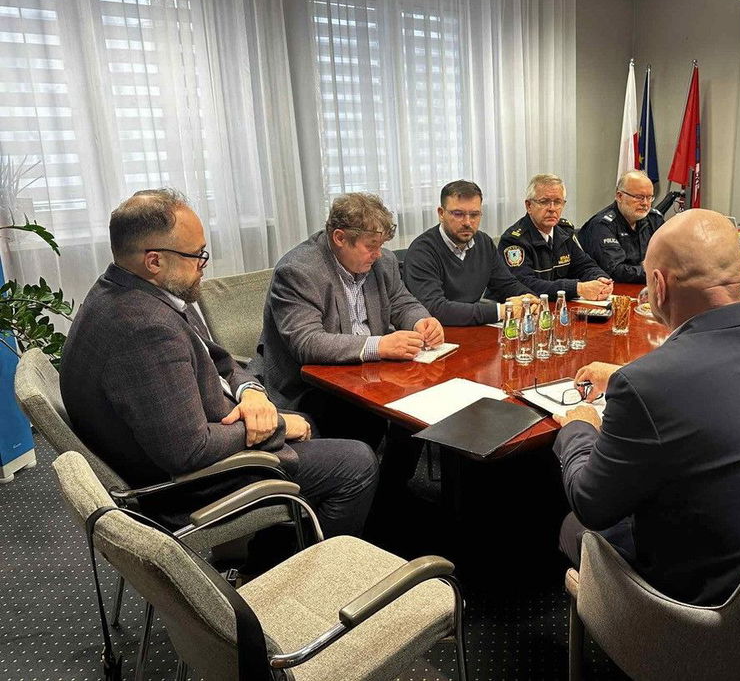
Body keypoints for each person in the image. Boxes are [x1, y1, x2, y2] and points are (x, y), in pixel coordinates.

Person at [553, 209, 740, 606]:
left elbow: (591, 504)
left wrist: (579, 426)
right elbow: (722, 380)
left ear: (658, 285)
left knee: (574, 527)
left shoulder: (647, 385)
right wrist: (624, 375)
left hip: (708, 614)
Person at [60, 189, 378, 537]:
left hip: (204, 428)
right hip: (193, 485)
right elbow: (188, 451)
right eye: (197, 255)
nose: (204, 264)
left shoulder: (130, 292)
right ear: (154, 261)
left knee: (316, 421)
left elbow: (220, 360)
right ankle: (290, 559)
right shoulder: (145, 329)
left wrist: (250, 393)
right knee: (357, 463)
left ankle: (292, 533)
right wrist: (276, 426)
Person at [251, 193, 443, 415]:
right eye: (371, 246)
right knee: (385, 415)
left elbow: (401, 301)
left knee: (426, 401)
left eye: (381, 245)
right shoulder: (298, 271)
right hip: (312, 388)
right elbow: (307, 342)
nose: (378, 254)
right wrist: (379, 346)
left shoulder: (384, 262)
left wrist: (421, 321)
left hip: (373, 376)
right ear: (340, 238)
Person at [404, 180, 534, 326]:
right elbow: (435, 308)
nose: (467, 222)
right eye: (458, 214)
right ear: (441, 213)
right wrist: (501, 311)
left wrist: (529, 299)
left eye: (474, 214)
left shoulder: (484, 242)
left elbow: (506, 285)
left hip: (473, 329)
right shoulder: (422, 251)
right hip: (438, 333)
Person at [496, 173, 612, 301]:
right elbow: (523, 285)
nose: (552, 209)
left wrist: (600, 279)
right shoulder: (514, 240)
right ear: (529, 206)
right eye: (544, 202)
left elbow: (585, 266)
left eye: (557, 202)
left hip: (556, 306)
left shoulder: (565, 232)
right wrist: (577, 288)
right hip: (518, 310)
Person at [578, 170, 664, 283]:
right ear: (619, 196)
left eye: (649, 197)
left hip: (649, 285)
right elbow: (616, 271)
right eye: (639, 197)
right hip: (616, 289)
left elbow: (670, 255)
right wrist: (653, 270)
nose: (645, 203)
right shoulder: (602, 225)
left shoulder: (654, 219)